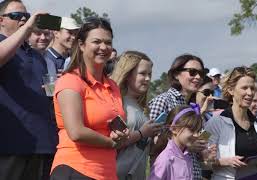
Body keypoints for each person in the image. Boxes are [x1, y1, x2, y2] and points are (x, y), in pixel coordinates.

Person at [50, 17, 129, 180]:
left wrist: (121, 136)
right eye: (97, 42)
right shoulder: (70, 81)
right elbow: (76, 132)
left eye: (108, 42)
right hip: (76, 169)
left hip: (107, 172)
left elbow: (114, 127)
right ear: (81, 45)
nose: (103, 47)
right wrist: (110, 142)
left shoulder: (113, 85)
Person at [0, 1, 58, 180]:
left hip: (43, 144)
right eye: (17, 16)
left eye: (26, 15)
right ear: (1, 20)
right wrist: (27, 28)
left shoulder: (36, 55)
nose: (24, 19)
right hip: (11, 144)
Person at [148, 54, 208, 179]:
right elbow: (151, 147)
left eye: (201, 74)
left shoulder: (194, 107)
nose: (198, 77)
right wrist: (188, 145)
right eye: (192, 72)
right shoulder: (163, 101)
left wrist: (202, 150)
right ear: (176, 74)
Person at [205, 66, 257, 179]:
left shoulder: (256, 122)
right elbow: (200, 161)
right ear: (231, 90)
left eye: (252, 88)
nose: (250, 93)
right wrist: (223, 162)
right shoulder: (214, 123)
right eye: (244, 88)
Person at [111, 50, 162, 180]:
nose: (148, 78)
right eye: (142, 74)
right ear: (127, 74)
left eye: (149, 74)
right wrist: (142, 133)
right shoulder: (118, 103)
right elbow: (113, 143)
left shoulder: (141, 108)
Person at [148, 105, 203, 180]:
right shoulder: (165, 159)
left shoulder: (187, 156)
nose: (196, 135)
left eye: (198, 131)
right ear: (174, 129)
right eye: (192, 130)